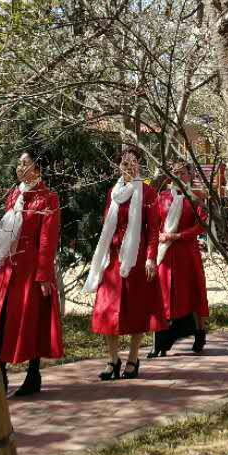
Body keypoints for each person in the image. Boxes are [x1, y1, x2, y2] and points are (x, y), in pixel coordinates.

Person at [0, 150, 64, 397]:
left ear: (37, 169)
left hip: (30, 269)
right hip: (8, 268)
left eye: (24, 164)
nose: (19, 168)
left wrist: (43, 275)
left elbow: (47, 239)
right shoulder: (15, 194)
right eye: (18, 163)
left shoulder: (48, 198)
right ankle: (0, 373)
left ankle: (33, 374)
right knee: (0, 319)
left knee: (33, 320)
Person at [88, 148, 162, 381]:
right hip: (112, 257)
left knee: (136, 309)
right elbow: (105, 224)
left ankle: (132, 358)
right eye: (124, 163)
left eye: (133, 162)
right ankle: (113, 359)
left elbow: (153, 230)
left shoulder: (148, 193)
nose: (128, 166)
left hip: (136, 258)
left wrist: (151, 257)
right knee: (107, 308)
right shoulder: (114, 192)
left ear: (139, 165)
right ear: (119, 166)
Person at [150, 161, 210, 357]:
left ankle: (199, 332)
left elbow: (201, 226)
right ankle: (160, 340)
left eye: (183, 173)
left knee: (192, 293)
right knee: (163, 294)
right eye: (175, 173)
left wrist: (178, 236)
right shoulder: (162, 197)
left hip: (187, 252)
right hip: (165, 253)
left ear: (190, 175)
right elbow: (155, 224)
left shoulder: (197, 197)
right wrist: (158, 238)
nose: (179, 176)